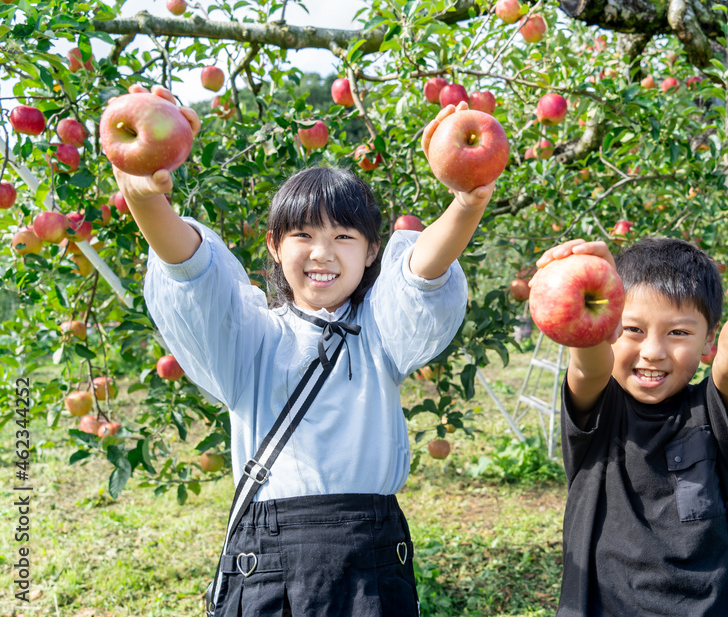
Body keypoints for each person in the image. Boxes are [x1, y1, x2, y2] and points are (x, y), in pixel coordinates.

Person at [111, 84, 495, 616]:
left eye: (344, 237)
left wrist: (465, 200)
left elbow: (422, 275)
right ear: (273, 244)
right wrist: (145, 196)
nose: (322, 253)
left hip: (372, 551)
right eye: (302, 235)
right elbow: (194, 277)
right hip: (270, 558)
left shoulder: (380, 334)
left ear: (371, 251)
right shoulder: (252, 341)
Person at [536, 212, 728, 616]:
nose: (653, 351)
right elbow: (589, 364)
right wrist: (591, 292)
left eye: (678, 333)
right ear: (608, 329)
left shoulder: (714, 413)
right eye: (631, 329)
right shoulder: (599, 413)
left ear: (708, 341)